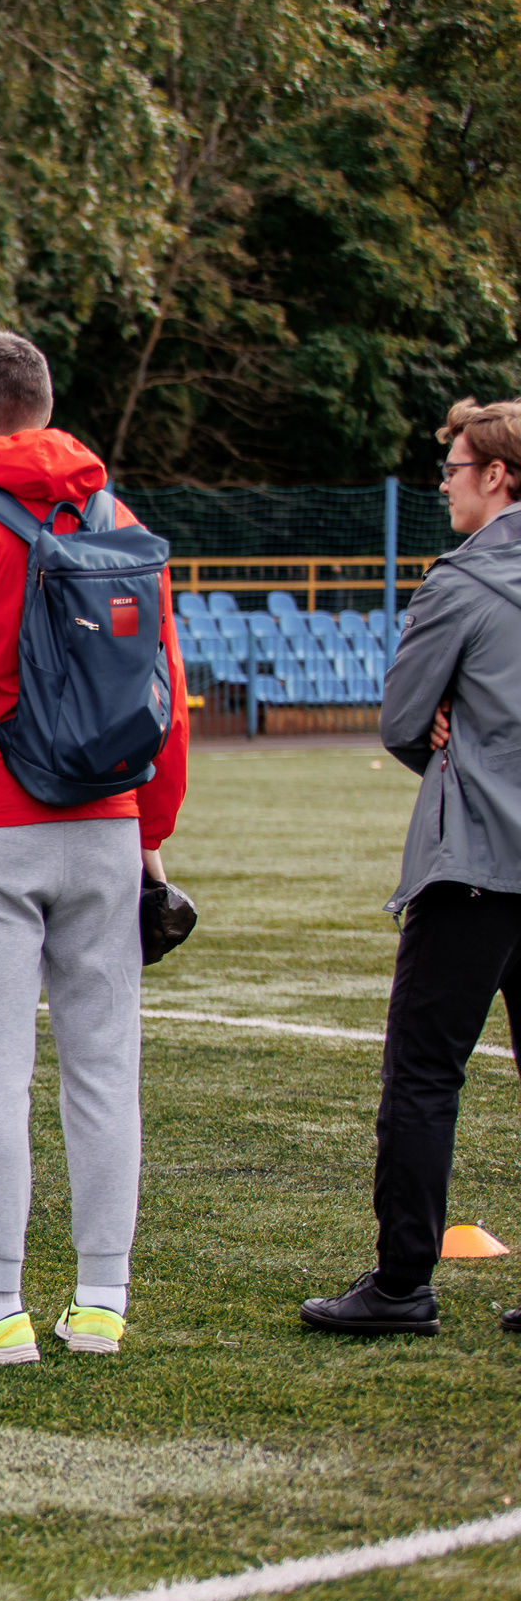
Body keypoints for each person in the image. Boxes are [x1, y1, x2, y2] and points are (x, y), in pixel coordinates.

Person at [0, 330, 187, 1364]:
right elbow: (165, 698)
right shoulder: (123, 522)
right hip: (106, 823)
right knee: (105, 1070)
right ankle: (100, 1301)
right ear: (44, 407)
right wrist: (152, 832)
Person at [304, 397, 521, 1337]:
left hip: (474, 866)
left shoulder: (462, 585)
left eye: (453, 469)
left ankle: (401, 1283)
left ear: (497, 476)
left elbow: (401, 721)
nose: (445, 485)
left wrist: (444, 736)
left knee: (425, 1075)